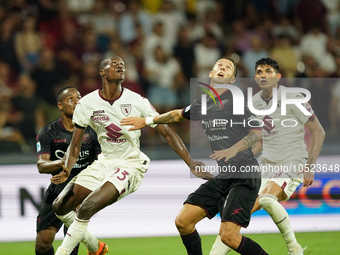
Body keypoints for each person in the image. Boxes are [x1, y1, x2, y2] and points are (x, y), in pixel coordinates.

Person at [50, 55, 205, 255]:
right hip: (104, 162)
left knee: (87, 207)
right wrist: (66, 169)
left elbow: (166, 132)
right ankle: (95, 247)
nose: (120, 66)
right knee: (60, 206)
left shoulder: (137, 100)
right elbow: (75, 144)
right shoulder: (86, 103)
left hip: (130, 165)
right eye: (114, 64)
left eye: (122, 64)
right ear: (102, 72)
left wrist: (190, 162)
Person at [121, 57, 269, 255]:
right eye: (219, 65)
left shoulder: (237, 100)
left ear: (232, 80)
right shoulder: (204, 103)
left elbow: (257, 132)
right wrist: (147, 120)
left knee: (229, 236)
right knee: (183, 221)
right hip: (225, 176)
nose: (222, 68)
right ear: (211, 73)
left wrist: (235, 149)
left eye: (228, 68)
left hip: (245, 174)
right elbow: (176, 115)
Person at [209, 58, 325, 255]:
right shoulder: (253, 104)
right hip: (265, 164)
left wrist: (310, 166)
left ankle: (294, 248)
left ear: (278, 77)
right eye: (260, 72)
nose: (263, 75)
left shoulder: (293, 97)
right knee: (232, 220)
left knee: (267, 199)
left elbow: (319, 131)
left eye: (268, 71)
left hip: (292, 162)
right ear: (256, 77)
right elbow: (259, 141)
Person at [35, 85, 101, 255]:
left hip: (79, 191)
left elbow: (103, 161)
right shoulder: (47, 133)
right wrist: (63, 163)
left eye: (79, 98)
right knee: (42, 243)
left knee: (71, 244)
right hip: (56, 190)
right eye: (70, 99)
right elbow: (42, 165)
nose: (76, 101)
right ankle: (96, 248)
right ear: (60, 106)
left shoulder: (92, 131)